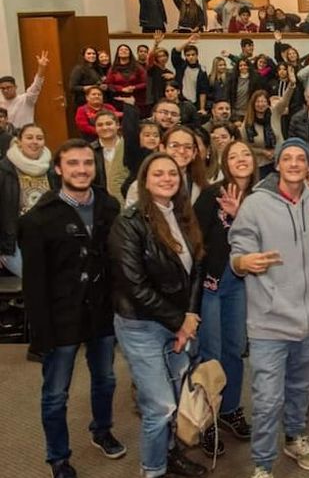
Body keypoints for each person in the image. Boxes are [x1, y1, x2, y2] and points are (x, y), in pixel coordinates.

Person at [21, 139, 125, 478]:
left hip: (102, 314)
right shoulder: (38, 219)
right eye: (74, 164)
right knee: (55, 393)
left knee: (106, 379)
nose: (82, 170)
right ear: (59, 169)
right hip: (60, 317)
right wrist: (40, 334)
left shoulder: (109, 206)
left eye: (87, 164)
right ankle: (58, 457)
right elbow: (33, 284)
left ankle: (102, 430)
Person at [229, 138, 309, 478]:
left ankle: (295, 437)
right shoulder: (256, 204)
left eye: (301, 158)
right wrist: (244, 261)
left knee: (301, 389)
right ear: (277, 164)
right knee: (268, 398)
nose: (295, 163)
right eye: (288, 158)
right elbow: (237, 253)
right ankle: (262, 463)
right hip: (269, 321)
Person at [110, 152, 207, 478]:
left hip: (179, 322)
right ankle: (153, 470)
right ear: (144, 181)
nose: (167, 179)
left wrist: (190, 315)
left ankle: (170, 455)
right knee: (160, 407)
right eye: (158, 174)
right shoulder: (129, 222)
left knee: (177, 398)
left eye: (172, 174)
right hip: (142, 325)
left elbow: (196, 268)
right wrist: (180, 320)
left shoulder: (183, 215)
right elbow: (134, 285)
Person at [193, 141, 257, 455]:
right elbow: (196, 243)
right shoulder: (210, 195)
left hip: (243, 285)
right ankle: (207, 421)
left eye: (246, 154)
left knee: (235, 348)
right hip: (212, 285)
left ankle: (230, 409)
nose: (241, 159)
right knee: (211, 352)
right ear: (224, 162)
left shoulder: (262, 197)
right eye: (234, 155)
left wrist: (240, 214)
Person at [0, 123, 57, 277]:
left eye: (39, 138)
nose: (34, 142)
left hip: (50, 237)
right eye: (29, 137)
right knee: (35, 281)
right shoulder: (4, 169)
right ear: (19, 141)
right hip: (13, 241)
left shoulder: (53, 169)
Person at [0, 51, 48, 129]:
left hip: (25, 134)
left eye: (8, 87)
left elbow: (37, 85)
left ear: (15, 87)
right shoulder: (1, 104)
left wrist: (41, 68)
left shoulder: (26, 99)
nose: (5, 90)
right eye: (2, 88)